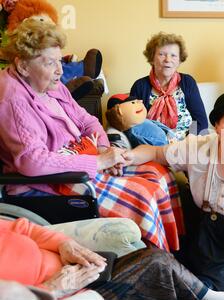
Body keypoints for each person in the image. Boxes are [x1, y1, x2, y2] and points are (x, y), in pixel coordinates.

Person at [0, 19, 182, 252]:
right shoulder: (13, 99)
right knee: (142, 197)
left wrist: (105, 151)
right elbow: (31, 161)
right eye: (50, 63)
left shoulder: (51, 85)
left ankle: (174, 255)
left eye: (60, 60)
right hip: (51, 183)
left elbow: (88, 121)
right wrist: (98, 162)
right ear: (23, 66)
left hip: (82, 158)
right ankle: (151, 261)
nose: (60, 70)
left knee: (159, 175)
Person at [121, 92, 224, 300]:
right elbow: (155, 153)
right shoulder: (198, 149)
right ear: (217, 127)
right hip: (214, 239)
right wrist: (126, 157)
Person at [0, 217, 224, 300]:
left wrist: (64, 244)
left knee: (155, 261)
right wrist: (51, 290)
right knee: (156, 266)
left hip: (73, 269)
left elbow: (24, 227)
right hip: (63, 293)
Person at [130, 32, 208, 141]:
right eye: (162, 54)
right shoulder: (140, 86)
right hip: (153, 144)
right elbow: (133, 123)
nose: (168, 59)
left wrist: (190, 140)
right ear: (152, 58)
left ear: (180, 60)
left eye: (173, 55)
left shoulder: (187, 82)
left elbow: (200, 121)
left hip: (186, 143)